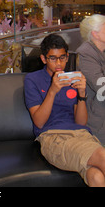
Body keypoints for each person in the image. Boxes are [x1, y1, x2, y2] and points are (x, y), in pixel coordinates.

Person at [24, 33, 105, 187]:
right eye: (53, 58)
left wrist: (82, 95)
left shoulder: (72, 79)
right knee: (102, 156)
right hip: (53, 138)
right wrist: (52, 91)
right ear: (43, 59)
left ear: (67, 57)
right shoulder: (32, 80)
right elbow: (39, 122)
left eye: (62, 57)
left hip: (82, 135)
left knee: (96, 177)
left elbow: (81, 122)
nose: (59, 63)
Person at [77, 14, 105, 144]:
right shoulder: (86, 53)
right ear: (95, 33)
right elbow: (101, 86)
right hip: (99, 119)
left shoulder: (101, 51)